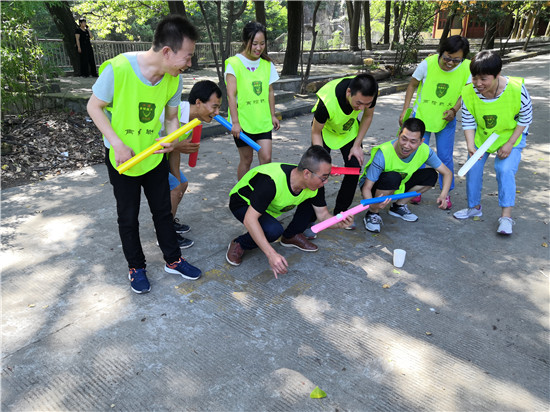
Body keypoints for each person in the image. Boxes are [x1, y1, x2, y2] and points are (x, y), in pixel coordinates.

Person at [86, 15, 202, 294]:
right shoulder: (118, 69)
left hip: (153, 156)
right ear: (166, 52)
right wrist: (116, 143)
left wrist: (171, 138)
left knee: (163, 211)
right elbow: (94, 107)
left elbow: (172, 118)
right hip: (123, 160)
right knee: (128, 216)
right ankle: (136, 267)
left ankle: (173, 260)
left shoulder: (174, 80)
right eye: (187, 57)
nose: (189, 63)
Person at [226, 145, 353, 278]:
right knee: (273, 230)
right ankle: (239, 243)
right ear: (306, 173)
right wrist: (271, 254)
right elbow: (250, 219)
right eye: (323, 177)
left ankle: (291, 236)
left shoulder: (314, 184)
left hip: (268, 205)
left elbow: (322, 215)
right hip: (243, 202)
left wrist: (338, 223)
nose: (326, 181)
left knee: (311, 202)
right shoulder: (270, 181)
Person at [453, 51, 532, 235]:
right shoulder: (469, 91)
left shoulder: (516, 89)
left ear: (497, 75)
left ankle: (506, 217)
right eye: (474, 77)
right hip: (483, 135)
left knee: (504, 169)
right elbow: (468, 120)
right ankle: (474, 207)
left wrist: (510, 143)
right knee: (473, 167)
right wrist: (471, 145)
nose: (478, 83)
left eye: (484, 79)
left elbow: (526, 117)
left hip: (511, 135)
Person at [399, 35, 471, 209]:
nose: (450, 63)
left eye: (456, 60)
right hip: (422, 116)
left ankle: (446, 193)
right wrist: (405, 110)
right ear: (441, 52)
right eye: (447, 57)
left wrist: (454, 110)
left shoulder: (467, 68)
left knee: (445, 156)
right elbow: (412, 85)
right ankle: (415, 191)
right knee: (418, 154)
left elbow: (466, 92)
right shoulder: (427, 64)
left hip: (446, 119)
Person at [158, 80, 222, 249]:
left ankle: (169, 221)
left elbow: (175, 151)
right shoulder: (174, 113)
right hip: (150, 157)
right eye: (214, 107)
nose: (217, 112)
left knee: (182, 184)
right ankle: (165, 234)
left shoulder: (192, 121)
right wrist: (177, 146)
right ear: (199, 102)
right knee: (175, 189)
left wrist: (177, 177)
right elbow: (158, 144)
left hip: (163, 157)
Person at [359, 118, 452, 233]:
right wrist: (372, 206)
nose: (407, 146)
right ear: (399, 134)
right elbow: (366, 187)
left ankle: (398, 206)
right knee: (393, 177)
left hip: (400, 183)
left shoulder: (425, 150)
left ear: (421, 141)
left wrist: (443, 195)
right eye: (404, 139)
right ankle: (372, 214)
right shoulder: (383, 152)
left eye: (413, 142)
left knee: (431, 175)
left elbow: (447, 173)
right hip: (376, 186)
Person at [311, 73, 378, 229]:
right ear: (349, 92)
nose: (361, 108)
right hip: (325, 130)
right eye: (359, 103)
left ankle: (341, 213)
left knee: (354, 167)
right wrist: (323, 160)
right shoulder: (326, 103)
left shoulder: (370, 94)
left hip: (348, 129)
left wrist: (357, 145)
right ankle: (320, 212)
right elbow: (316, 132)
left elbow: (368, 117)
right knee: (318, 170)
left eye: (366, 104)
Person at [225, 21, 280, 180]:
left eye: (262, 44)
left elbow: (270, 91)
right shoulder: (233, 63)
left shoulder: (267, 64)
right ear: (245, 41)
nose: (258, 48)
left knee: (266, 159)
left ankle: (263, 194)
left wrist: (272, 115)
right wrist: (235, 122)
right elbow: (231, 95)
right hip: (243, 122)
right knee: (247, 160)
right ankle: (241, 194)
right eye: (254, 43)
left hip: (262, 121)